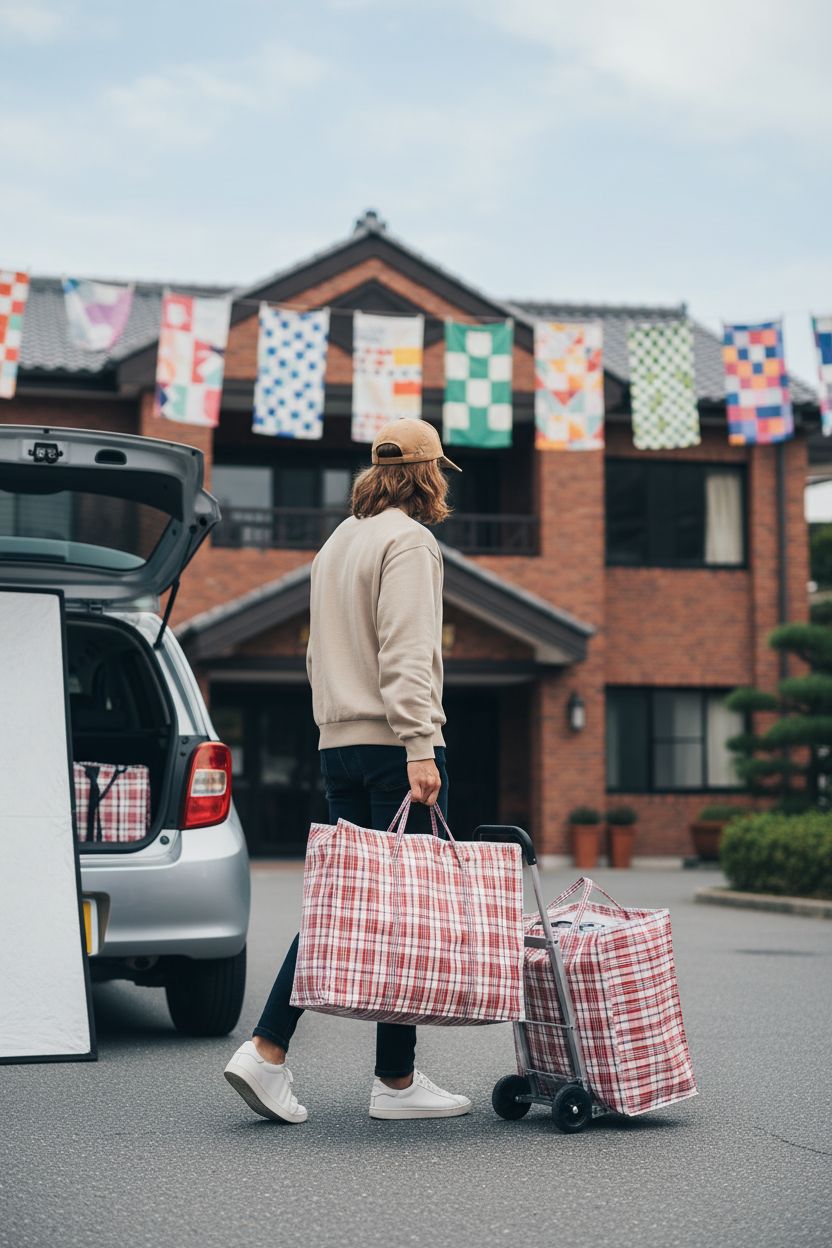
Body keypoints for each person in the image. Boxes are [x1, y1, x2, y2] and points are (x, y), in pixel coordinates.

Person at [224, 418, 472, 1124]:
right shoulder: (410, 542)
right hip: (400, 747)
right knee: (401, 909)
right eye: (440, 475)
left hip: (341, 745)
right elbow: (408, 649)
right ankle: (366, 1076)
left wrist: (340, 729)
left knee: (355, 903)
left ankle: (330, 1064)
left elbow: (314, 655)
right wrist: (421, 743)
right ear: (428, 475)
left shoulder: (336, 543)